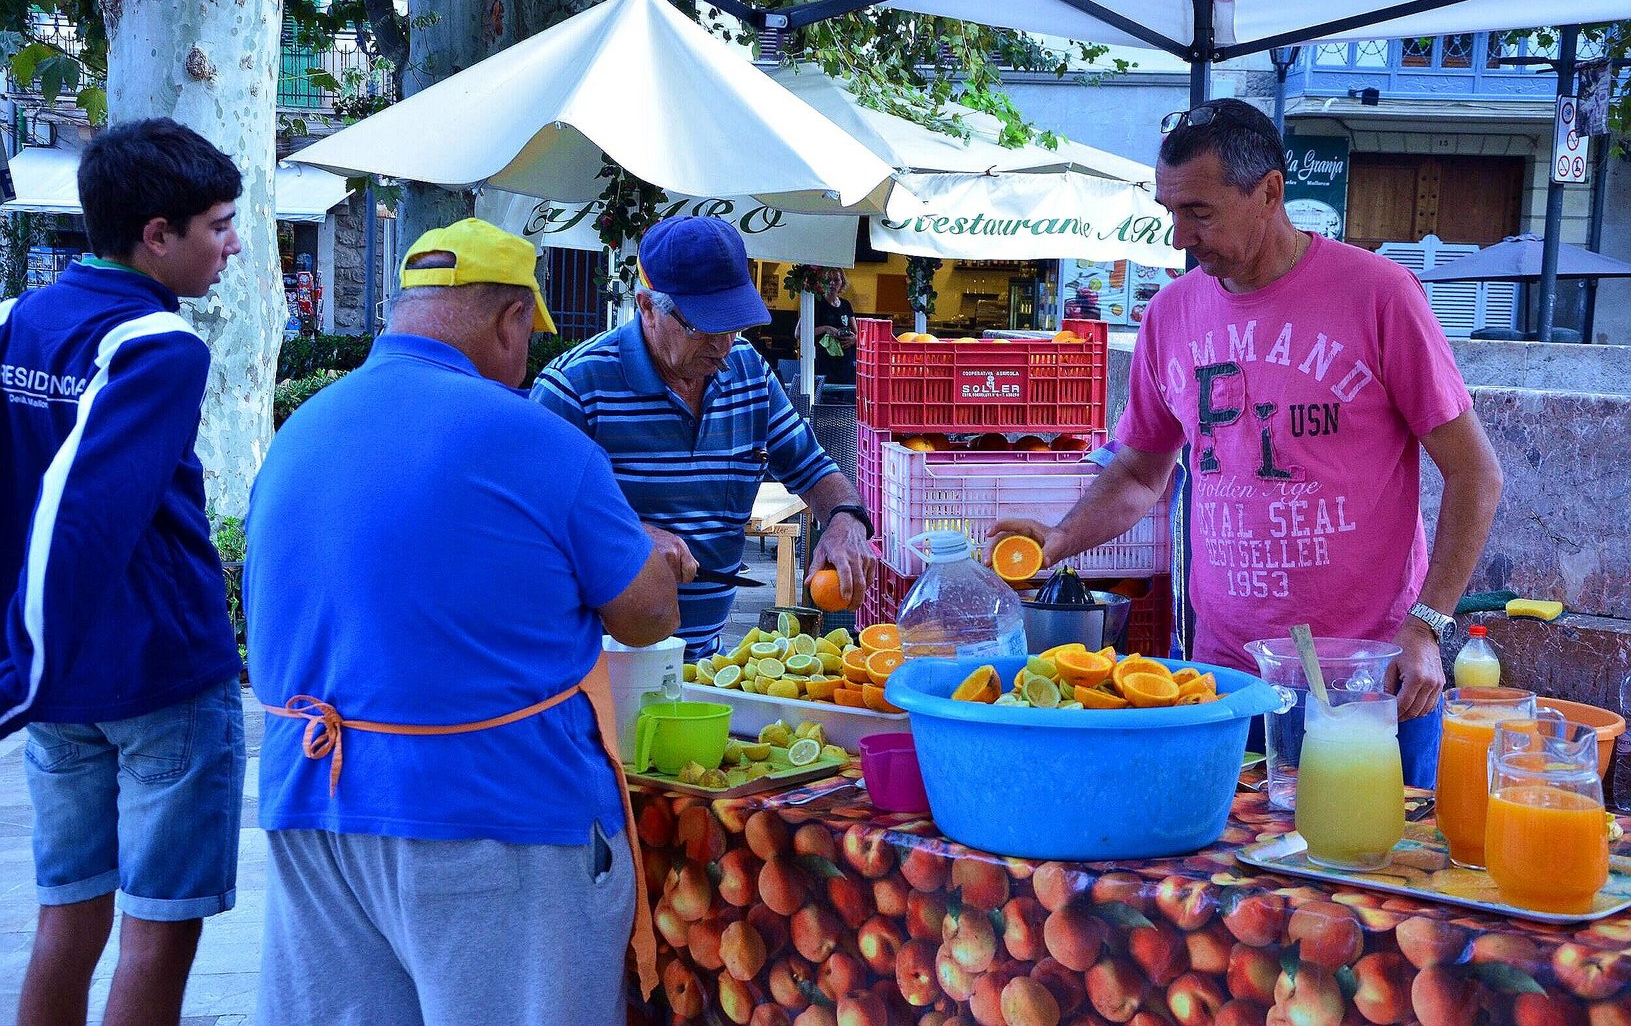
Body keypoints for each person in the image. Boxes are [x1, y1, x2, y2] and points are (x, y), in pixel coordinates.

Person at [246, 219, 679, 1025]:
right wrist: (651, 555)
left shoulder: (301, 430)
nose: (523, 367)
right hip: (492, 815)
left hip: (312, 808)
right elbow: (649, 616)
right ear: (511, 320)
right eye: (526, 338)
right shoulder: (539, 441)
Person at [997, 99, 1501, 785]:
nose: (1178, 237)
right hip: (1224, 675)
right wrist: (1057, 540)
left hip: (1367, 674)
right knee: (1222, 879)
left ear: (1269, 192)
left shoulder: (1379, 293)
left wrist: (1424, 626)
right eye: (1168, 210)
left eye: (1198, 212)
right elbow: (1142, 472)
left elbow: (1475, 475)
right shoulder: (1170, 314)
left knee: (1363, 876)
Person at [0, 118, 247, 1025]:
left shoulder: (26, 318)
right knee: (158, 930)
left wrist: (26, 660)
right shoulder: (159, 345)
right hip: (161, 674)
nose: (230, 244)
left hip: (61, 684)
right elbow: (86, 517)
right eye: (217, 224)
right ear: (156, 235)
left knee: (66, 912)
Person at [533, 216, 876, 656]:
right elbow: (533, 521)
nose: (722, 344)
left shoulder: (748, 370)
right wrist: (628, 537)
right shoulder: (574, 388)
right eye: (702, 326)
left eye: (734, 325)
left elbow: (813, 468)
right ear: (646, 307)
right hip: (595, 662)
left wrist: (845, 520)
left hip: (704, 660)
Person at [813, 267, 857, 386]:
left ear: (842, 282)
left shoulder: (846, 305)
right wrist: (826, 328)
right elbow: (799, 333)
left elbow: (857, 333)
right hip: (823, 362)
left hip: (845, 363)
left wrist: (854, 339)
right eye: (828, 280)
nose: (832, 283)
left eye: (836, 280)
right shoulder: (816, 303)